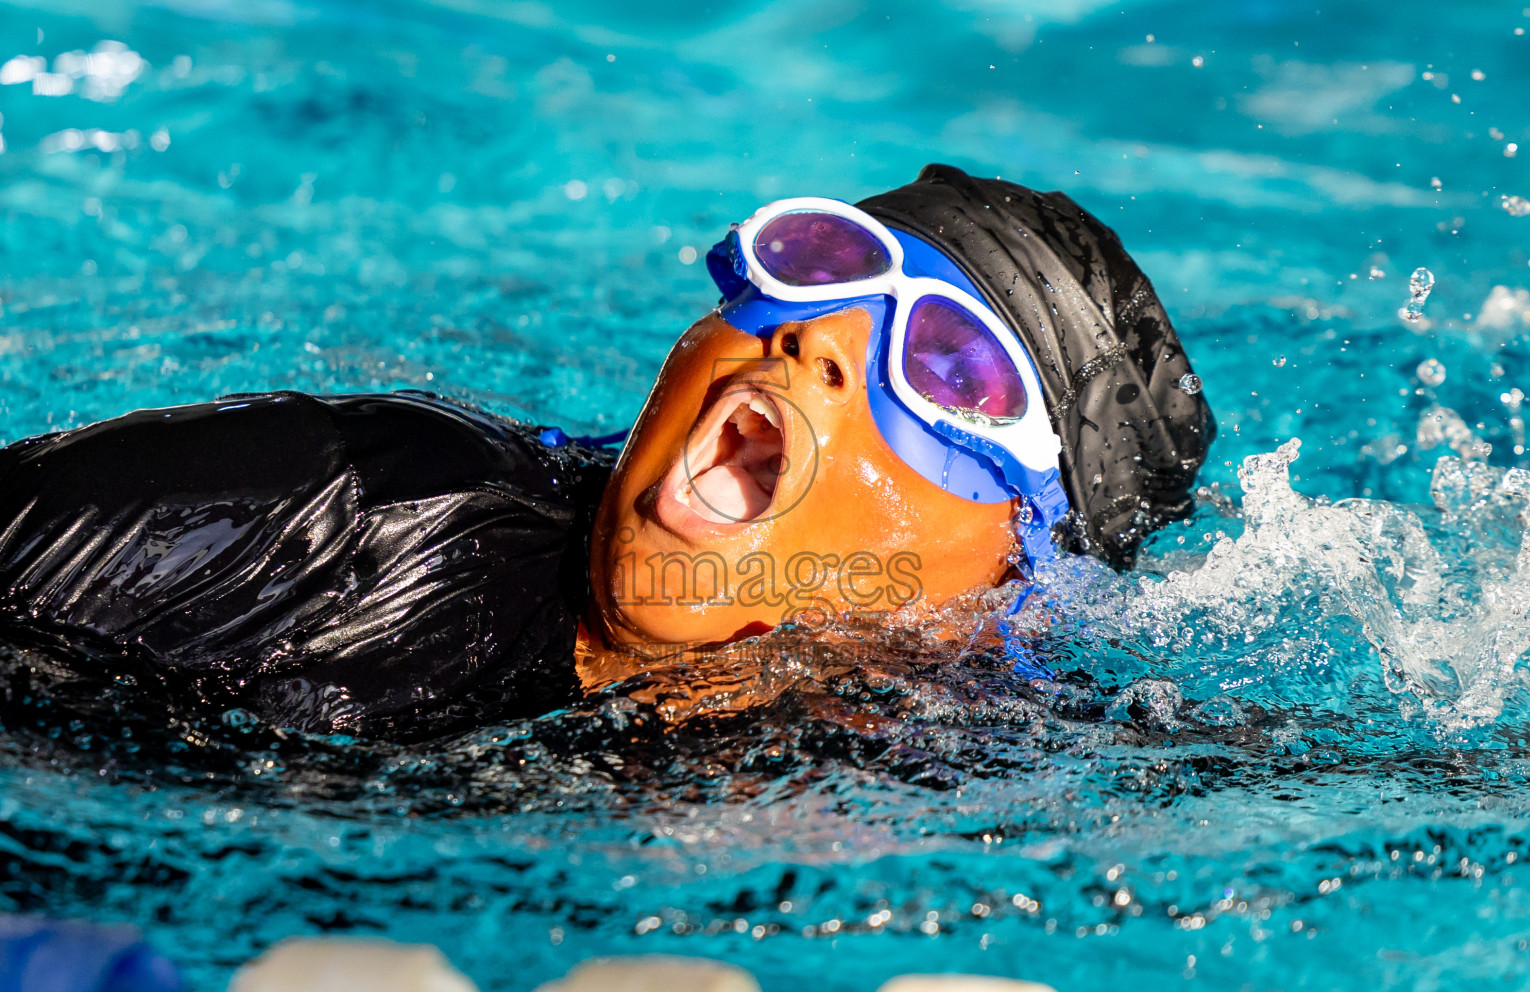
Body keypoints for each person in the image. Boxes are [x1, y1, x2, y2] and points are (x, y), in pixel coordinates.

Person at [0, 165, 1212, 741]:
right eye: (824, 273)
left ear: (1021, 573)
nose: (815, 344)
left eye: (952, 368)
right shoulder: (355, 510)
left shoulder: (1019, 789)